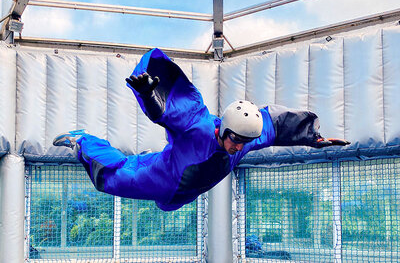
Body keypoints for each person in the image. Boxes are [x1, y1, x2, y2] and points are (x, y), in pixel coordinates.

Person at [53, 48, 349, 211]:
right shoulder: (199, 127)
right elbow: (165, 115)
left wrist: (313, 137)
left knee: (167, 206)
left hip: (185, 192)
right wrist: (148, 95)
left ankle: (154, 166)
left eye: (245, 142)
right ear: (225, 129)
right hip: (159, 178)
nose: (239, 148)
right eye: (235, 141)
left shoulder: (245, 139)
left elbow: (277, 124)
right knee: (109, 179)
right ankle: (82, 141)